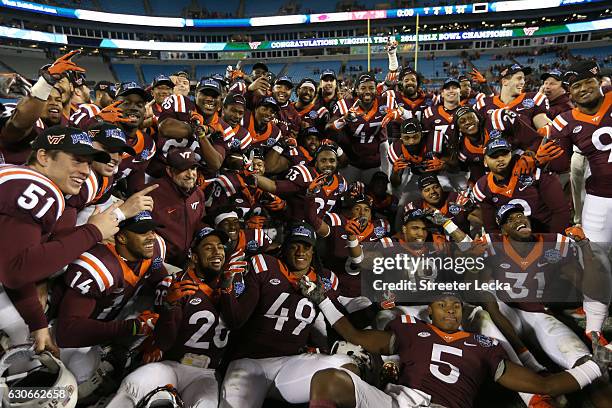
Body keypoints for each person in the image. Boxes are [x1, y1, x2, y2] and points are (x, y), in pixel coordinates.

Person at [305, 291, 612, 408]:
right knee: (328, 380)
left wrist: (594, 367)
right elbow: (354, 334)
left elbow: (543, 384)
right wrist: (321, 300)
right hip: (398, 403)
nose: (450, 310)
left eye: (455, 305)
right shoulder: (411, 330)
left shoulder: (485, 346)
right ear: (431, 312)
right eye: (442, 304)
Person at [0, 125, 117, 355]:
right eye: (77, 160)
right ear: (43, 156)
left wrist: (38, 323)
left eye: (88, 163)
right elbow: (17, 270)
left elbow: (8, 263)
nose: (86, 171)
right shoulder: (37, 186)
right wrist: (93, 232)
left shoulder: (17, 177)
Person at [218, 222, 353, 408]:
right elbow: (236, 320)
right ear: (285, 248)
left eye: (306, 247)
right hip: (250, 361)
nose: (300, 252)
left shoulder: (323, 280)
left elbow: (329, 323)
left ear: (313, 251)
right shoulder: (265, 265)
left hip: (290, 365)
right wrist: (227, 288)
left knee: (345, 364)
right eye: (294, 246)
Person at [106, 228, 233, 408]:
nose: (217, 252)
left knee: (206, 404)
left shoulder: (237, 286)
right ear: (194, 257)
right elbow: (163, 337)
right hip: (171, 364)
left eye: (220, 247)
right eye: (208, 248)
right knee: (132, 384)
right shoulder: (173, 284)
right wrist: (169, 306)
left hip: (207, 372)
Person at [55, 211, 170, 383]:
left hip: (112, 317)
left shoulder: (153, 249)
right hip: (71, 332)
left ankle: (119, 350)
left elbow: (159, 276)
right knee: (81, 372)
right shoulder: (100, 265)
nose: (151, 237)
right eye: (143, 232)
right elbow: (67, 331)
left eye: (152, 231)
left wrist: (168, 290)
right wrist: (130, 327)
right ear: (122, 238)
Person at [472, 138, 569, 233]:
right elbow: (492, 227)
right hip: (516, 239)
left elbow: (560, 211)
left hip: (547, 231)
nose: (500, 159)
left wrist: (553, 241)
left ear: (511, 154)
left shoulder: (532, 171)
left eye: (504, 154)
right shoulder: (483, 187)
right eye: (494, 156)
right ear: (485, 161)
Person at [0, 50, 81, 164]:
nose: (54, 103)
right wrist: (45, 83)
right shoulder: (30, 120)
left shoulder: (69, 125)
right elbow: (17, 125)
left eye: (58, 100)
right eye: (47, 99)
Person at [147, 147, 206, 267]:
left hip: (186, 261)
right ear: (169, 171)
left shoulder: (198, 193)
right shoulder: (151, 193)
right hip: (158, 261)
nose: (190, 175)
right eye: (183, 169)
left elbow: (198, 222)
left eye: (193, 168)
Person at [327, 73, 390, 185]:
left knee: (375, 196)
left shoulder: (385, 103)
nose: (367, 91)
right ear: (356, 90)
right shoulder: (345, 105)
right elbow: (328, 129)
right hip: (351, 163)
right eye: (363, 88)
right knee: (347, 196)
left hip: (375, 163)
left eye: (371, 88)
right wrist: (344, 119)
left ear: (376, 90)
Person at [475, 64, 550, 130]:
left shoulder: (533, 99)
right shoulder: (484, 104)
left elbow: (544, 126)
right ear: (505, 81)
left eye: (524, 79)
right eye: (519, 78)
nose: (523, 82)